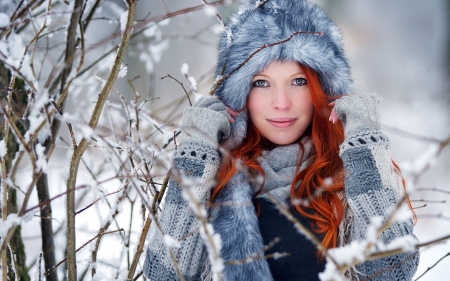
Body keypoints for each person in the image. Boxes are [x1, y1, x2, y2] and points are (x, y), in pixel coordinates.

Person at [144, 0, 419, 280]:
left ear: (323, 89)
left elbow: (394, 272)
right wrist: (196, 150)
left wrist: (365, 139)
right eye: (261, 83)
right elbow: (165, 275)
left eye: (298, 81)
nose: (281, 103)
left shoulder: (350, 175)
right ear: (238, 96)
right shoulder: (215, 177)